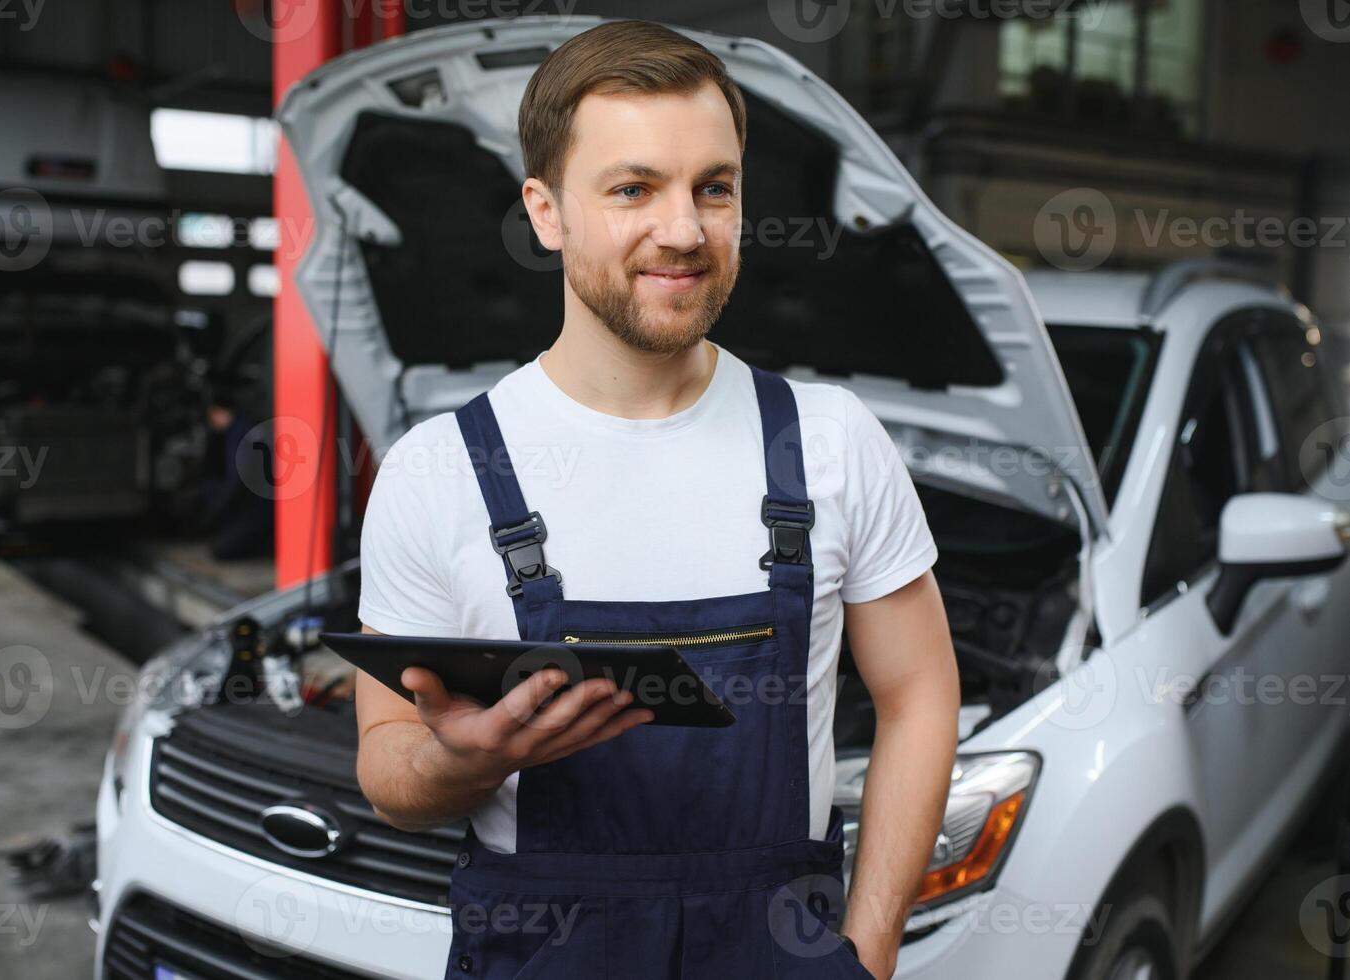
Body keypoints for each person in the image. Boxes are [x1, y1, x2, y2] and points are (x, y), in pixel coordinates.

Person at [354, 20, 960, 980]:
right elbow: (387, 766)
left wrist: (869, 952)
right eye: (633, 188)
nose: (682, 231)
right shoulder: (439, 469)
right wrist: (461, 763)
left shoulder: (830, 442)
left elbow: (920, 694)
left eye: (712, 188)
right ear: (545, 212)